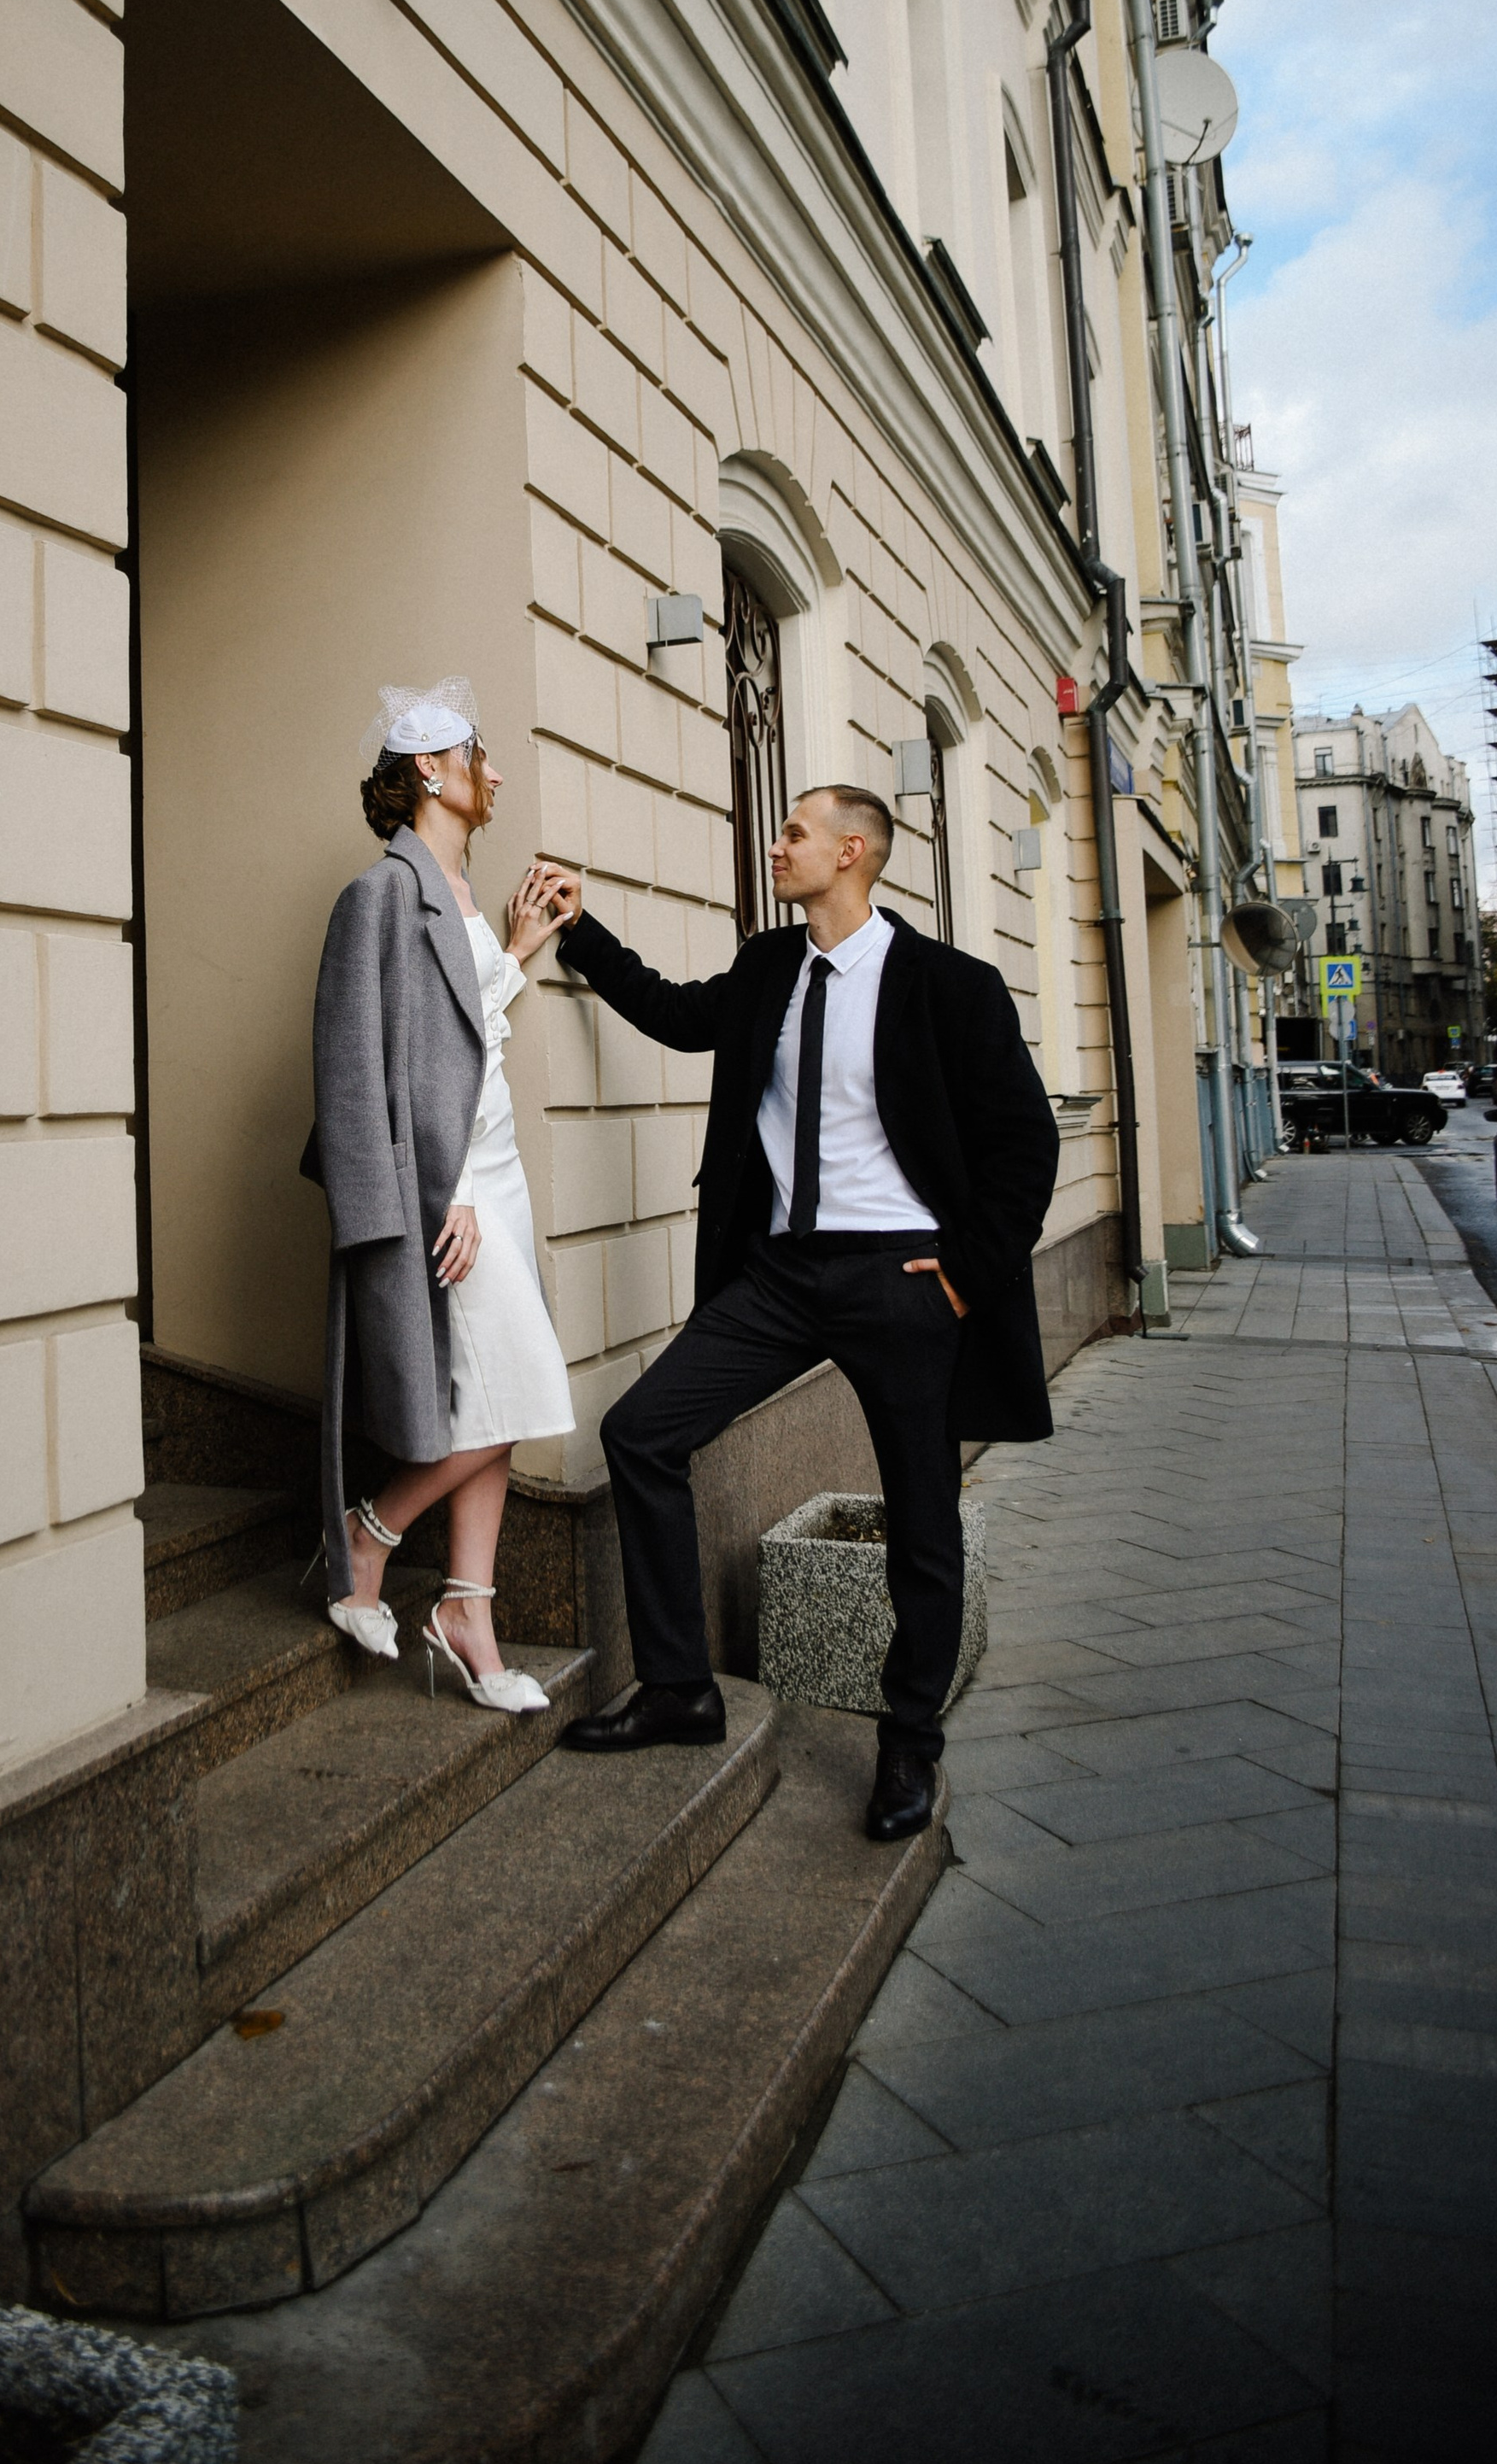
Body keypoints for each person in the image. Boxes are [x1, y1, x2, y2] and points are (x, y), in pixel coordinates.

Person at [532, 782, 1061, 1840]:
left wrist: (960, 1275)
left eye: (794, 832)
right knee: (641, 1432)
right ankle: (678, 1688)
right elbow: (677, 1014)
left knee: (920, 1517)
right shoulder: (770, 966)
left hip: (900, 1280)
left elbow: (1025, 1143)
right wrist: (578, 931)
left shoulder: (948, 985)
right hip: (776, 1277)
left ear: (852, 851)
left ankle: (908, 1741)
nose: (776, 845)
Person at [303, 681, 578, 1712]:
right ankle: (367, 1536)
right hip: (450, 1185)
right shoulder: (377, 895)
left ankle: (468, 1610)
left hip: (497, 1174)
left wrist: (514, 953)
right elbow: (361, 1070)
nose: (494, 774)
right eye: (478, 756)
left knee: (502, 1391)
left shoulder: (458, 892)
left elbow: (461, 1038)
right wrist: (441, 1192)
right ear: (430, 769)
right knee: (521, 1386)